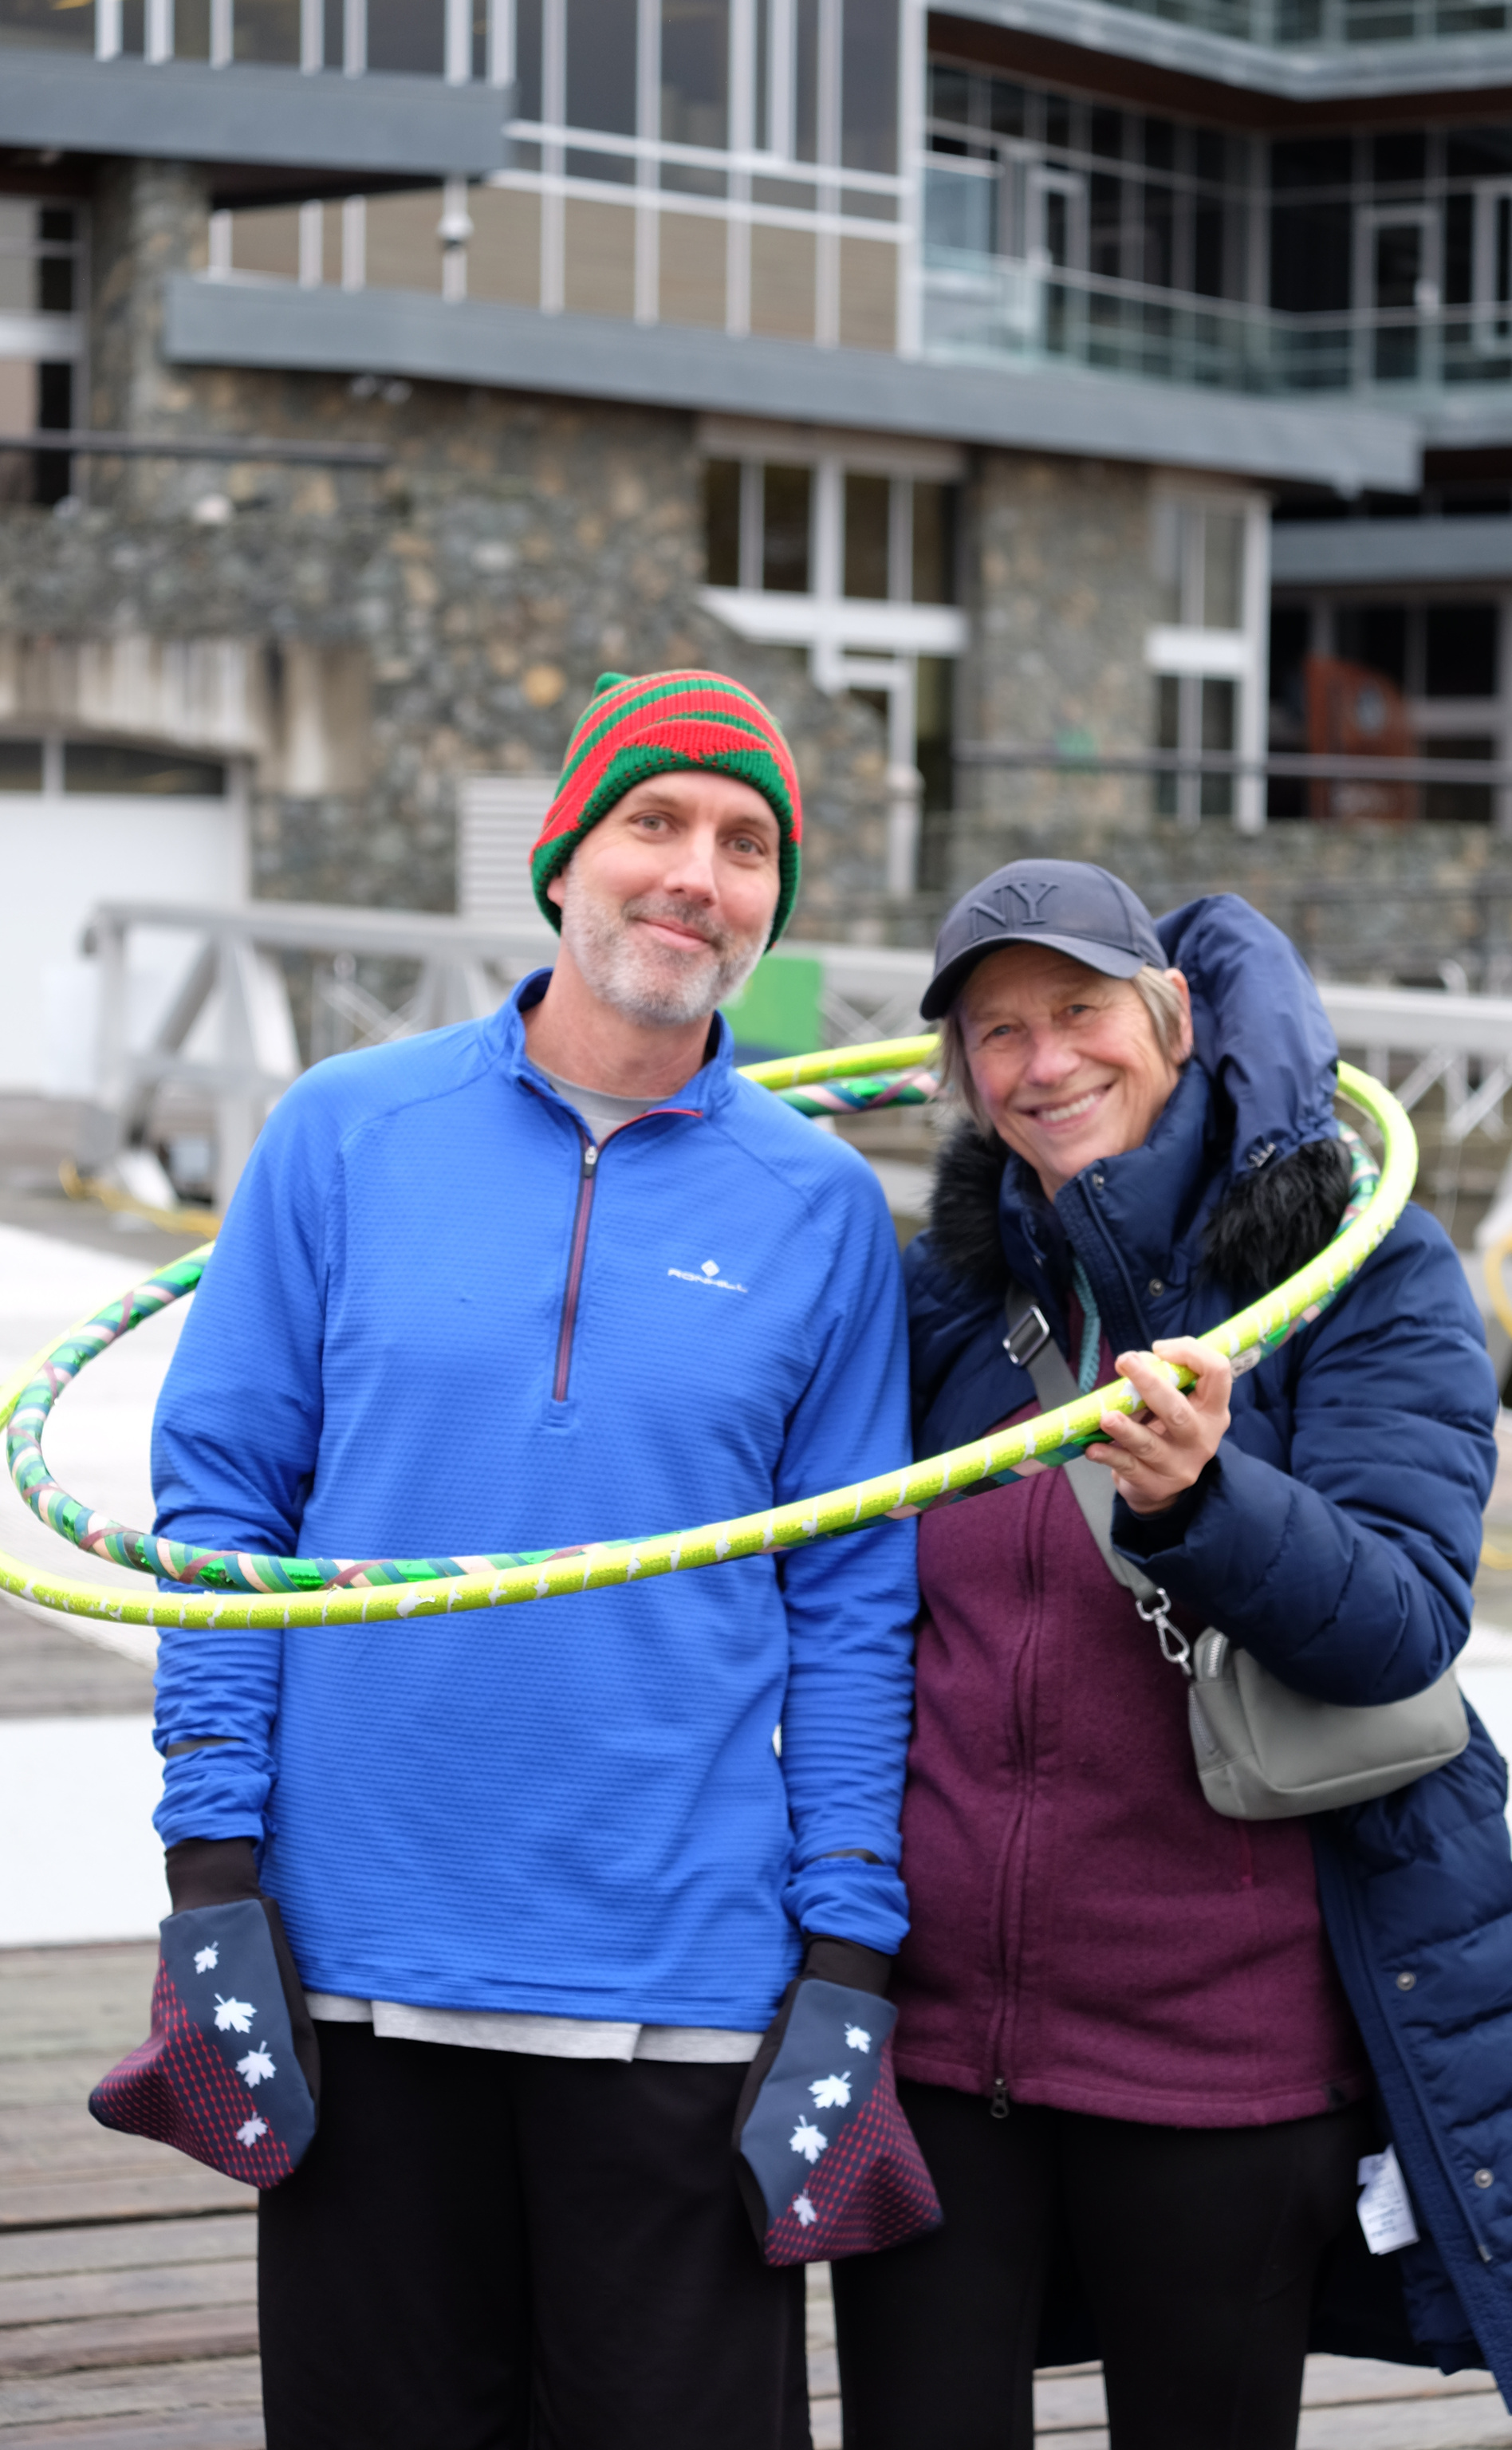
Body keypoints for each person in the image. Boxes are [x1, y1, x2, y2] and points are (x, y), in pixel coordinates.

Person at [148, 670, 919, 2450]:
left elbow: (853, 1607)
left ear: (771, 908)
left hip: (684, 1998)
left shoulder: (820, 1212)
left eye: (744, 846)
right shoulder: (343, 1132)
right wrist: (209, 1876)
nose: (695, 876)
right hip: (352, 1965)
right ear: (563, 859)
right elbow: (220, 1512)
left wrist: (850, 1953)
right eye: (654, 821)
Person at [833, 860, 1512, 2449]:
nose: (1042, 1063)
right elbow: (837, 1586)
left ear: (1173, 1016)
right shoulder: (950, 1289)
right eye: (995, 1034)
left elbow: (1404, 1618)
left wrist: (1206, 1499)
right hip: (932, 2047)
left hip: (1216, 2055)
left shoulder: (1354, 1268)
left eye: (1078, 1012)